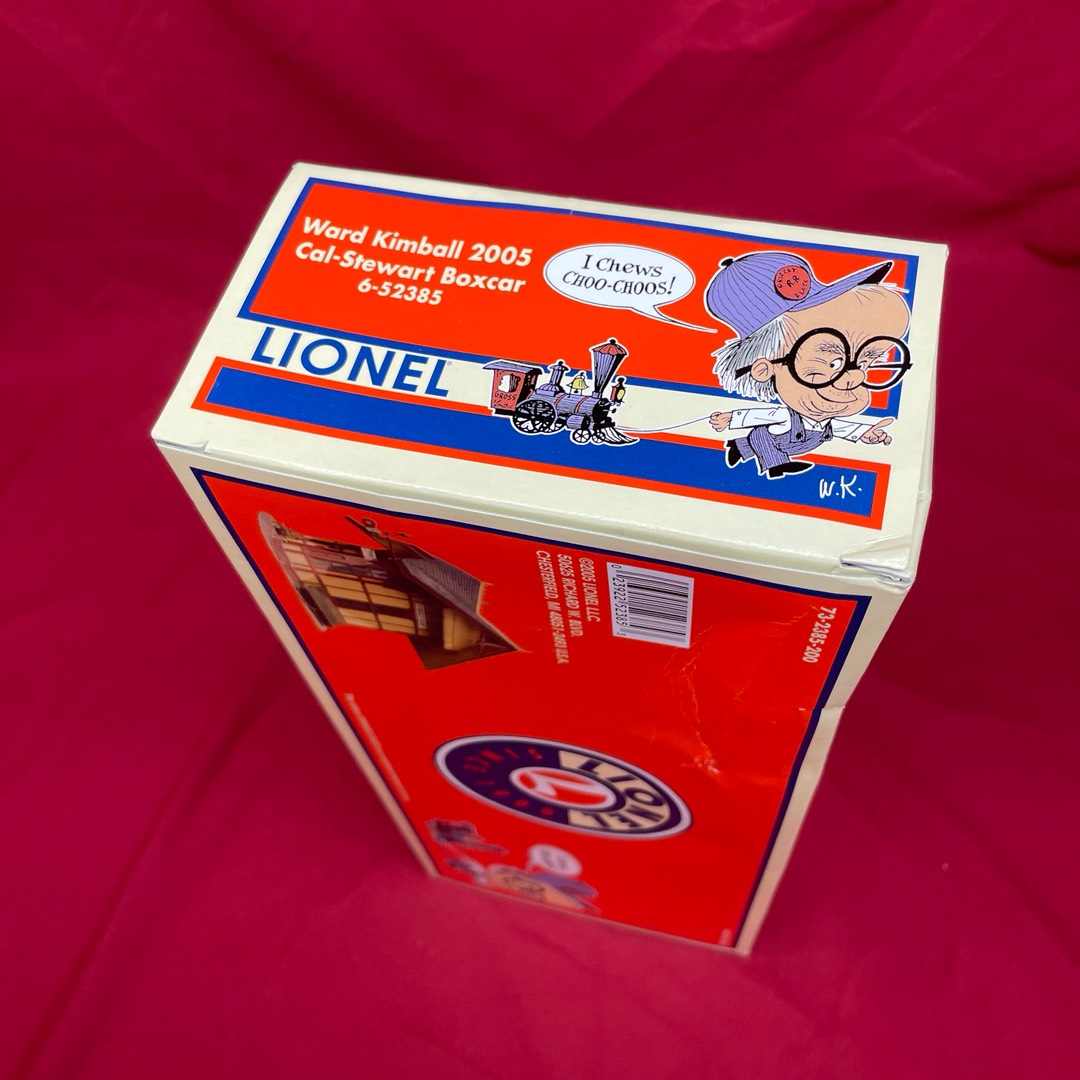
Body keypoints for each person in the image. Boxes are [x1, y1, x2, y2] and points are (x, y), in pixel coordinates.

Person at [705, 252, 911, 478]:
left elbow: (841, 428)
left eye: (864, 362)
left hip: (789, 443)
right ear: (764, 369)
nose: (857, 377)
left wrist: (865, 433)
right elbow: (760, 416)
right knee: (764, 441)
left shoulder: (825, 419)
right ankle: (775, 467)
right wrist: (730, 418)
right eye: (833, 363)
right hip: (770, 441)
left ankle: (738, 447)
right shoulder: (785, 414)